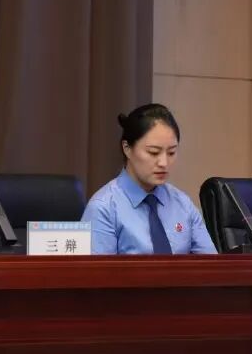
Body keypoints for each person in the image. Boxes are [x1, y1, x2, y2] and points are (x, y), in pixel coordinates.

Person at [82, 103, 217, 254]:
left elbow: (211, 263)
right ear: (127, 148)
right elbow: (97, 269)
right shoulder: (103, 208)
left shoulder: (182, 203)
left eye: (171, 153)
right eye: (153, 152)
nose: (164, 163)